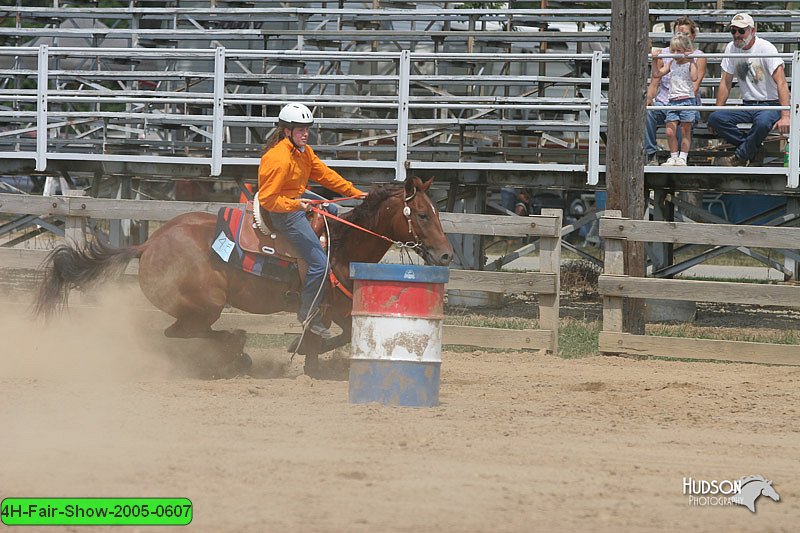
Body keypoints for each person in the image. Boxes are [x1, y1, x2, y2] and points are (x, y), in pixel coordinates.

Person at [258, 103, 366, 338]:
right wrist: (296, 205)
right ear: (287, 131)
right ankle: (308, 312)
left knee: (335, 210)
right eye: (300, 130)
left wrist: (353, 192)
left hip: (296, 199)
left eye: (307, 129)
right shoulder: (278, 159)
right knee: (319, 264)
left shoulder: (303, 152)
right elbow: (268, 199)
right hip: (283, 212)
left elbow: (324, 174)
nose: (305, 134)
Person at [708, 13, 790, 167]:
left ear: (753, 31)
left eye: (741, 31)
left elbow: (782, 82)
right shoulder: (731, 48)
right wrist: (717, 110)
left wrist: (785, 115)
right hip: (748, 104)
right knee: (715, 119)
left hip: (770, 104)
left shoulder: (766, 48)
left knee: (762, 122)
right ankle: (753, 148)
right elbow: (725, 82)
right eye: (733, 31)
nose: (737, 35)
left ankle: (740, 156)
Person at [645, 16, 707, 166]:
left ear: (693, 36)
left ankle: (682, 156)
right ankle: (650, 154)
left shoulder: (697, 56)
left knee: (682, 123)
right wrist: (648, 99)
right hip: (667, 102)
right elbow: (655, 80)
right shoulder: (667, 55)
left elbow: (695, 84)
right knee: (647, 112)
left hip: (685, 100)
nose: (681, 37)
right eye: (678, 34)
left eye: (685, 34)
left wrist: (689, 59)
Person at [653, 35, 700, 166]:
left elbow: (694, 77)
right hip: (673, 101)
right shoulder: (672, 63)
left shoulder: (690, 63)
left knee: (685, 131)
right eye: (673, 51)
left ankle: (683, 156)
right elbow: (657, 74)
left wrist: (692, 61)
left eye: (679, 51)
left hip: (687, 100)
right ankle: (673, 155)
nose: (675, 54)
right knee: (669, 131)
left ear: (686, 50)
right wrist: (655, 60)